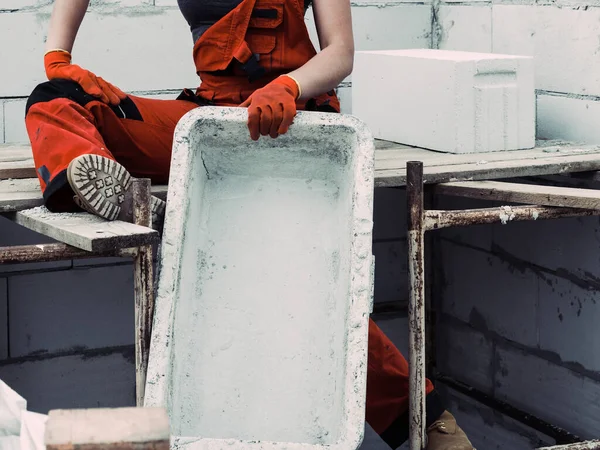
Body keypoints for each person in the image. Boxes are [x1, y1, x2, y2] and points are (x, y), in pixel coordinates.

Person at [24, 1, 474, 448]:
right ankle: (112, 195)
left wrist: (289, 86)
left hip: (294, 120)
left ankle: (430, 426)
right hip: (211, 121)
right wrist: (58, 57)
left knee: (308, 284)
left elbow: (340, 53)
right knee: (56, 99)